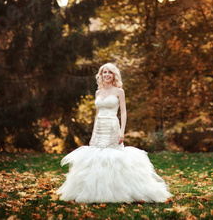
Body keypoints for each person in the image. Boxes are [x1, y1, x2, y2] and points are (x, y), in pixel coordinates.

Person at [56, 63, 172, 203]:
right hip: (99, 127)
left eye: (109, 72)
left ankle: (119, 192)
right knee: (96, 157)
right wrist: (93, 134)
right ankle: (94, 192)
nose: (106, 74)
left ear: (114, 75)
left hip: (112, 126)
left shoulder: (119, 91)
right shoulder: (98, 93)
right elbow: (96, 114)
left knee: (113, 158)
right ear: (101, 75)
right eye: (104, 72)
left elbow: (123, 111)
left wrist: (122, 131)